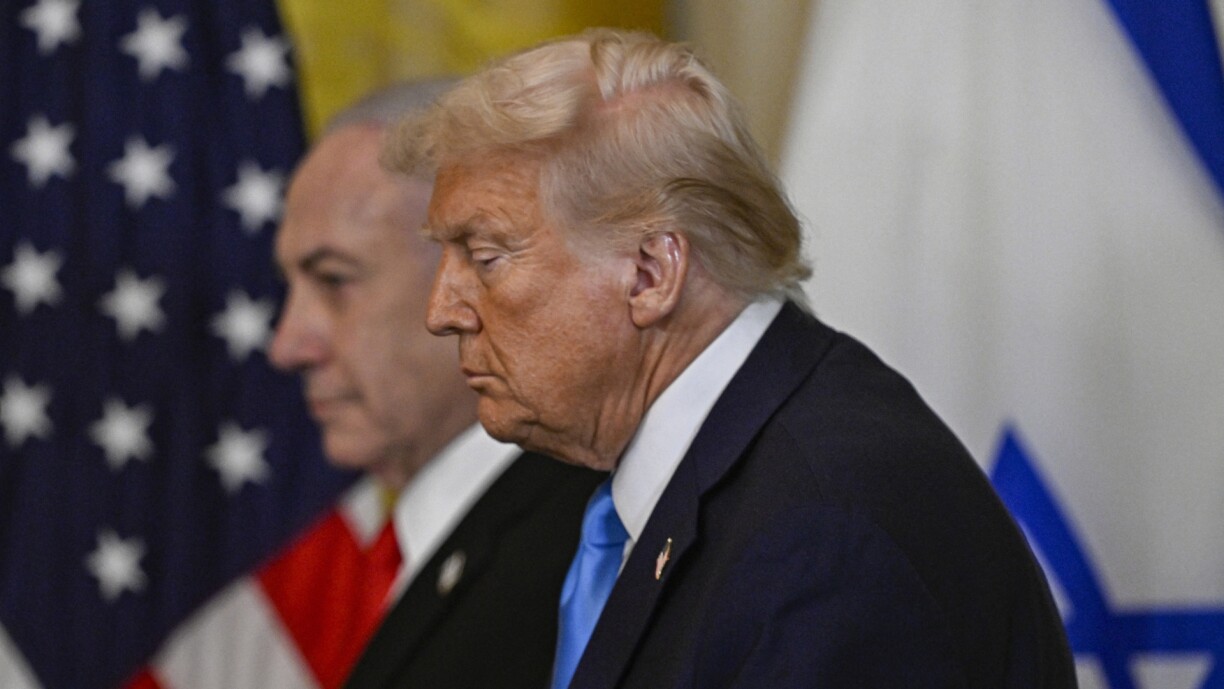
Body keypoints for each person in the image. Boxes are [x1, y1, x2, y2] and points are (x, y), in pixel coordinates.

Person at [386, 30, 1078, 688]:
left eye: (485, 258)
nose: (441, 310)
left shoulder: (819, 534)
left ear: (651, 274)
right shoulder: (742, 464)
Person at [269, 81, 604, 689]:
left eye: (334, 281)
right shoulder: (461, 548)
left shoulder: (587, 559)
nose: (288, 344)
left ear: (485, 275)